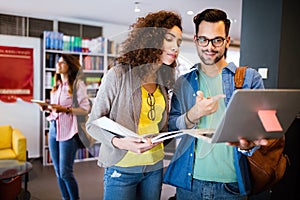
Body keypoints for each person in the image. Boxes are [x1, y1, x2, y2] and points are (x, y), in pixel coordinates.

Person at [163, 8, 269, 200]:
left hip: (231, 185)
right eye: (203, 39)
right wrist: (192, 115)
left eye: (217, 40)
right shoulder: (183, 83)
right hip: (190, 183)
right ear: (196, 40)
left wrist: (248, 145)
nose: (209, 46)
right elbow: (171, 126)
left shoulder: (249, 78)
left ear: (227, 41)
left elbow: (259, 130)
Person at [85, 10, 182, 200]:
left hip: (154, 167)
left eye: (178, 42)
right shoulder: (118, 74)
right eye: (169, 39)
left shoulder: (163, 79)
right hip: (122, 169)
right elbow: (92, 123)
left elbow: (160, 125)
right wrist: (120, 142)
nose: (175, 47)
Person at [40, 54, 90, 200]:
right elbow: (55, 108)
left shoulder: (77, 85)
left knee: (65, 172)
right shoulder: (57, 86)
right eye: (58, 63)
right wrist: (48, 108)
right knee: (58, 171)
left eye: (62, 63)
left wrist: (66, 110)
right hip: (54, 128)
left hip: (69, 131)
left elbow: (85, 109)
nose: (59, 65)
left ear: (70, 66)